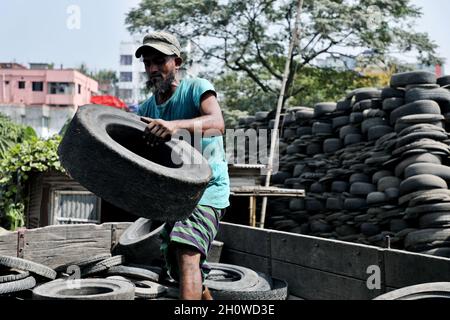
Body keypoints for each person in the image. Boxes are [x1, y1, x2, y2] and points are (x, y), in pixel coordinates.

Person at [135, 31, 230, 300]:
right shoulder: (147, 108)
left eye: (159, 61)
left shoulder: (197, 88)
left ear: (177, 61)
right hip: (174, 196)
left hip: (207, 189)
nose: (153, 68)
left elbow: (217, 124)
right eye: (147, 63)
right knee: (180, 266)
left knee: (187, 250)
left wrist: (174, 127)